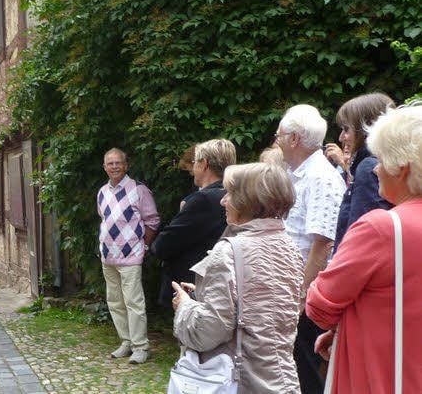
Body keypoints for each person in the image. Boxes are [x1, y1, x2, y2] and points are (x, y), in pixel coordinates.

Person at [306, 104, 422, 393]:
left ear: (403, 168)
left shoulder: (381, 228)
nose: (376, 169)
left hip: (381, 377)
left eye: (381, 159)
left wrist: (341, 325)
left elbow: (319, 305)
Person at [172, 162, 303, 393]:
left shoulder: (230, 251)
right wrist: (205, 293)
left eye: (230, 194)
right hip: (281, 378)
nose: (223, 201)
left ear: (249, 200)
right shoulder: (288, 246)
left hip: (240, 380)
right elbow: (263, 307)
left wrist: (185, 306)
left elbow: (209, 331)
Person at [275, 104, 345, 393]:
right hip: (294, 286)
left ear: (294, 139)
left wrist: (302, 294)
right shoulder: (300, 173)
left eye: (279, 134)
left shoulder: (320, 177)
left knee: (305, 368)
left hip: (305, 293)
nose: (276, 140)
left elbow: (322, 244)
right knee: (295, 364)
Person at [152, 138, 235, 307]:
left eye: (195, 162)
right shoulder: (235, 194)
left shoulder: (204, 200)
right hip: (221, 285)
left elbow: (164, 244)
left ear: (204, 164)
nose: (193, 168)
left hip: (192, 287)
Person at [97, 147, 160, 364]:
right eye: (110, 163)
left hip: (131, 256)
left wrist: (144, 246)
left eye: (118, 163)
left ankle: (141, 346)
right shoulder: (102, 192)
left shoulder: (138, 189)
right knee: (115, 302)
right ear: (104, 167)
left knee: (134, 302)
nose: (114, 166)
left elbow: (152, 221)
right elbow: (105, 220)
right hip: (108, 256)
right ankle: (126, 342)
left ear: (126, 165)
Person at [328, 93, 394, 251]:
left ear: (364, 130)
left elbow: (362, 238)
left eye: (346, 129)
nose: (341, 137)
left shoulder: (368, 166)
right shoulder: (387, 164)